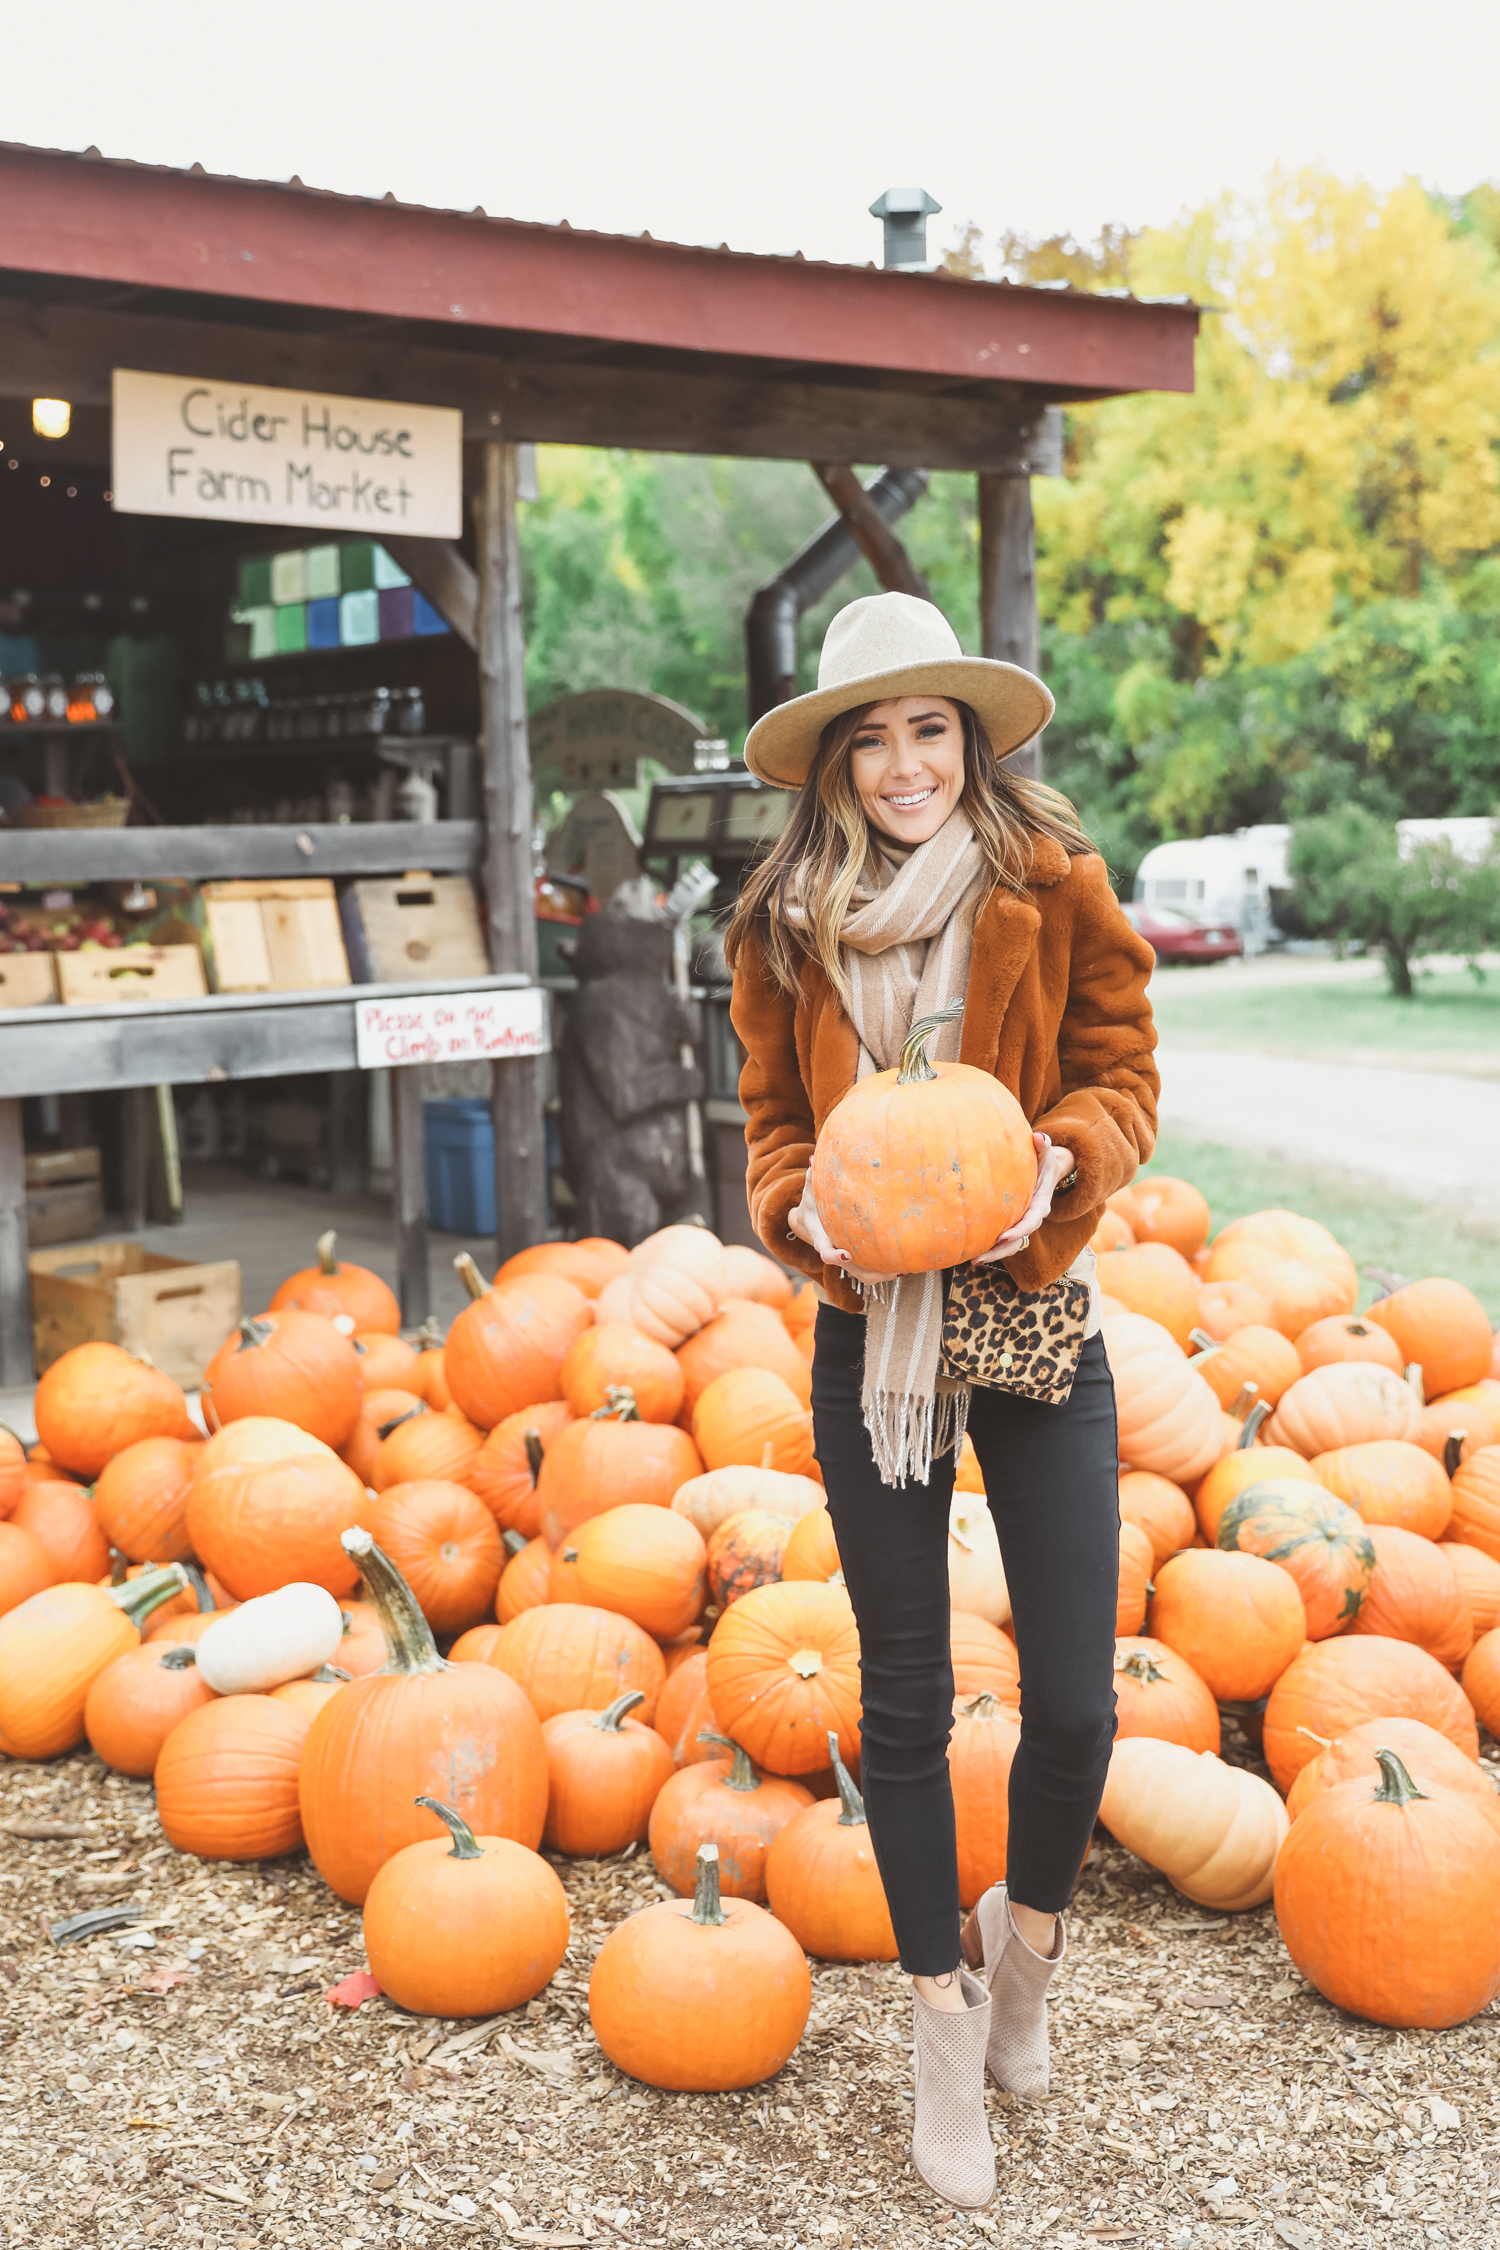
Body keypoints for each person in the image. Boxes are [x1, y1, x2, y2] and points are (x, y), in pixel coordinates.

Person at [727, 593, 1158, 2211]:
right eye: (872, 735)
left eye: (930, 729)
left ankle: (1024, 1949)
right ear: (833, 762)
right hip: (876, 1330)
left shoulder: (1054, 884)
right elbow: (774, 1123)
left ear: (968, 741)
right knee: (903, 1699)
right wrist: (800, 1217)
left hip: (1031, 1301)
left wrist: (1064, 1160)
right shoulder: (782, 923)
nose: (905, 763)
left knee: (1078, 1706)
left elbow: (1125, 1065)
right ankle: (936, 2021)